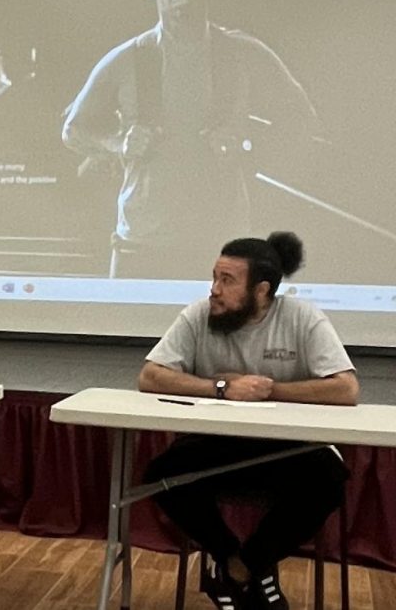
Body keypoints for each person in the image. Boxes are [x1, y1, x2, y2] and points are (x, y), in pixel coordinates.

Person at [62, 0, 318, 278]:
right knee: (130, 330)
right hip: (142, 241)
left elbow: (301, 119)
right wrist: (118, 145)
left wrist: (248, 146)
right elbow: (74, 130)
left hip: (223, 243)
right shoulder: (128, 58)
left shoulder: (243, 52)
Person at [138, 231, 358, 610]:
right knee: (162, 475)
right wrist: (222, 386)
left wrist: (269, 390)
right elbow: (150, 377)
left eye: (227, 281)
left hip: (288, 448)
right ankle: (234, 559)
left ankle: (239, 570)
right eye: (214, 278)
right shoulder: (198, 314)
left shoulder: (302, 316)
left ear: (261, 291)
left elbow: (345, 389)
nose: (214, 290)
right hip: (215, 445)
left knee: (329, 481)